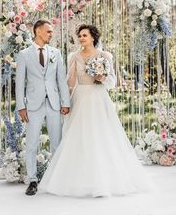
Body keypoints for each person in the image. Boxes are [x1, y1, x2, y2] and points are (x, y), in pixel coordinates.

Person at [39, 24, 151, 197]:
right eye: (80, 36)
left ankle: (105, 179)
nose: (81, 38)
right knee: (78, 135)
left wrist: (102, 77)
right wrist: (64, 102)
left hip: (99, 98)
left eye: (84, 35)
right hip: (81, 97)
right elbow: (70, 82)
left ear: (93, 37)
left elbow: (113, 81)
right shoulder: (74, 56)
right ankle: (77, 179)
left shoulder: (105, 56)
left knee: (101, 135)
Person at [16, 19, 70, 196]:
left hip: (54, 104)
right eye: (48, 31)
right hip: (32, 105)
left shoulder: (56, 52)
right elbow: (19, 82)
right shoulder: (24, 54)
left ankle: (57, 179)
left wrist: (65, 102)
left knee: (57, 143)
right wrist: (21, 106)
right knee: (31, 143)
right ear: (37, 31)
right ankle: (32, 180)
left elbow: (61, 79)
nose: (51, 34)